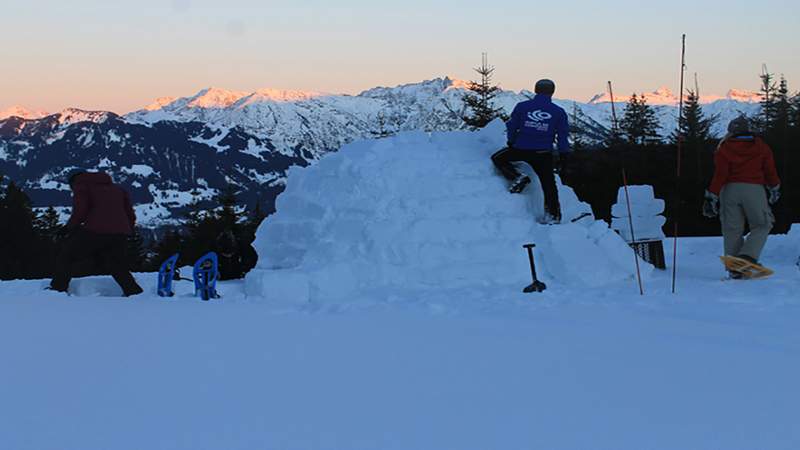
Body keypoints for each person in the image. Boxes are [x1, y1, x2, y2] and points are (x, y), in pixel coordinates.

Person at [702, 116, 781, 276]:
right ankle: (748, 256)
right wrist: (774, 187)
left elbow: (720, 174)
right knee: (762, 224)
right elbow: (769, 171)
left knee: (732, 229)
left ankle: (735, 269)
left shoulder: (724, 148)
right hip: (754, 189)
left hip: (729, 190)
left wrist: (712, 196)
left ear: (731, 131)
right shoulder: (761, 147)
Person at [49, 171, 144, 296]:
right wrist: (127, 230)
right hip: (120, 232)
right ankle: (134, 292)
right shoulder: (118, 189)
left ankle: (58, 289)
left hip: (95, 230)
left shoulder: (81, 186)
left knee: (67, 256)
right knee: (117, 265)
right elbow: (130, 215)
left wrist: (68, 228)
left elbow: (80, 212)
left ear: (73, 181)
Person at [491, 79, 570, 223]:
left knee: (497, 158)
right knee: (549, 185)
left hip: (521, 149)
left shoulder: (522, 107)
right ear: (552, 92)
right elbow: (563, 136)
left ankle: (517, 177)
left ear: (535, 90)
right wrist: (564, 155)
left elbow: (512, 126)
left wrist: (511, 141)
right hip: (543, 154)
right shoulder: (558, 112)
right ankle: (553, 216)